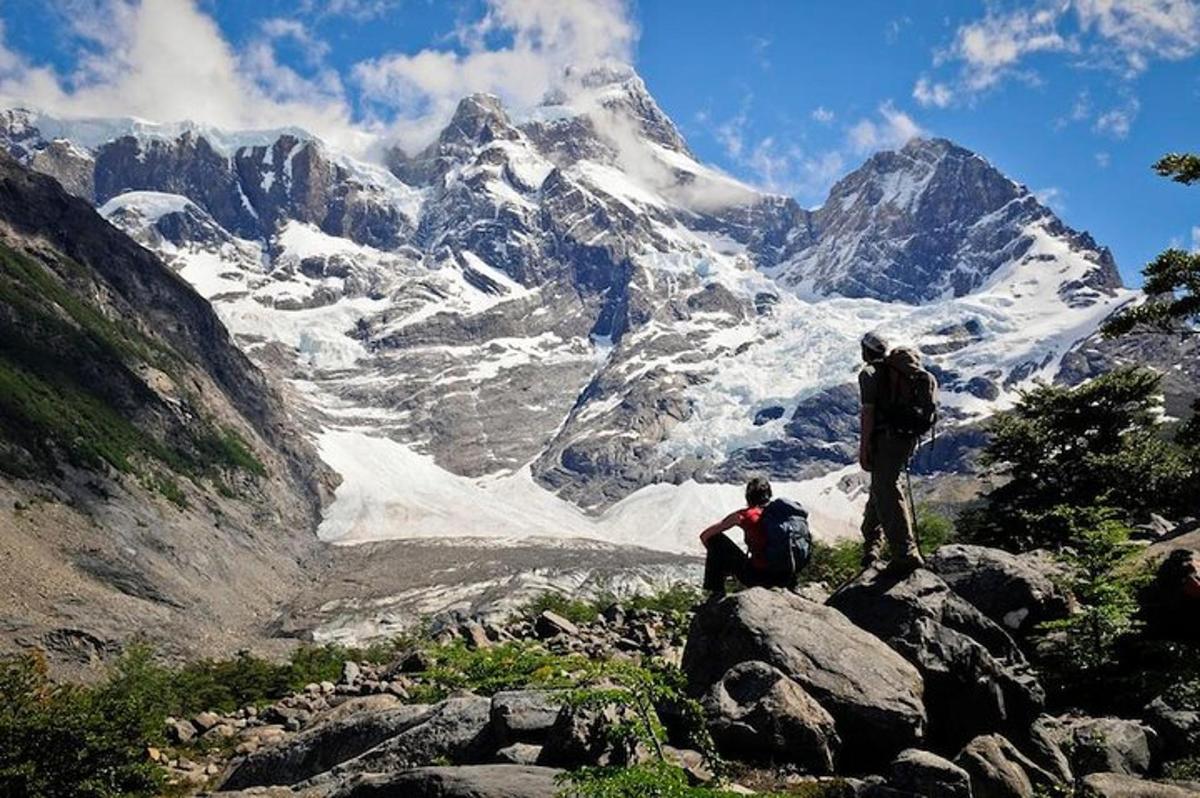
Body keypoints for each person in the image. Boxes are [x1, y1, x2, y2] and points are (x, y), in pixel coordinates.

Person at [858, 331, 924, 572]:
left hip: (886, 439)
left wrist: (864, 447)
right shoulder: (896, 371)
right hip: (907, 438)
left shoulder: (869, 374)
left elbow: (868, 413)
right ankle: (872, 547)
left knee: (886, 489)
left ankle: (906, 553)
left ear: (866, 350)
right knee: (881, 486)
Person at [699, 477, 794, 597]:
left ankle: (715, 592)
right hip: (786, 577)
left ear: (748, 496)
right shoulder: (781, 514)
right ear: (769, 494)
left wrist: (719, 559)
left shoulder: (744, 515)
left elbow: (705, 535)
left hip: (760, 578)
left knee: (715, 539)